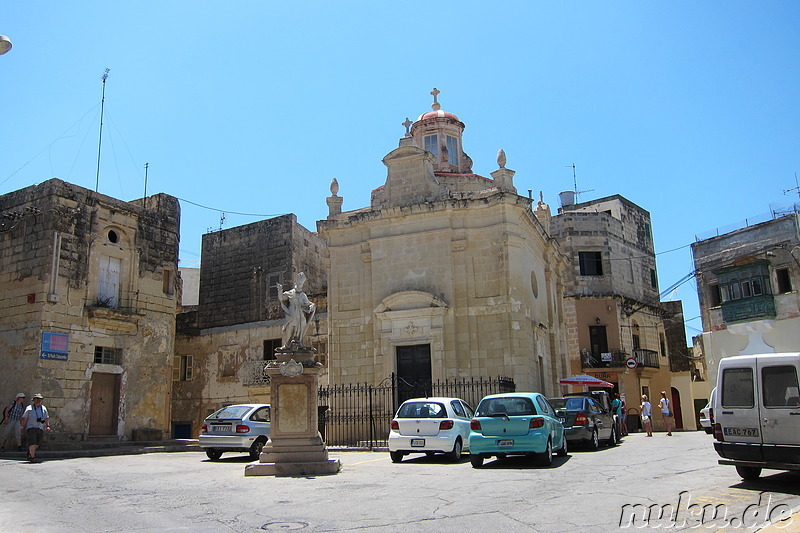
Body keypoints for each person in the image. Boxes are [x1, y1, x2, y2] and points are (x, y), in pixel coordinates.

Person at [276, 272, 316, 350]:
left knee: (302, 327)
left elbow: (309, 304)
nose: (299, 286)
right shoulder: (290, 293)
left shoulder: (303, 295)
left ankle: (300, 343)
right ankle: (287, 344)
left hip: (301, 316)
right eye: (298, 284)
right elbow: (281, 298)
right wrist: (280, 290)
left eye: (301, 285)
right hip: (292, 314)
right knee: (289, 329)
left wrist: (311, 307)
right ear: (295, 284)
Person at [20, 393, 51, 463]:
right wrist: (22, 427)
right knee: (32, 442)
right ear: (33, 400)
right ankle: (32, 457)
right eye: (36, 399)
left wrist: (48, 426)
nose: (38, 400)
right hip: (31, 427)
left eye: (39, 399)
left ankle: (30, 452)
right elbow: (24, 418)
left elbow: (46, 418)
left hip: (40, 427)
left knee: (37, 443)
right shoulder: (29, 408)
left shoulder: (43, 408)